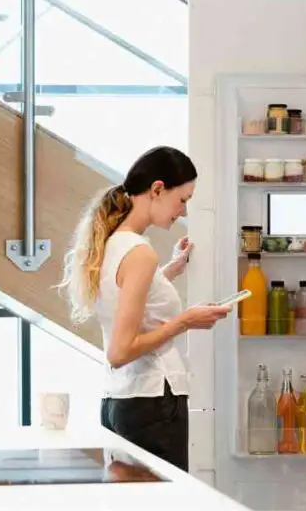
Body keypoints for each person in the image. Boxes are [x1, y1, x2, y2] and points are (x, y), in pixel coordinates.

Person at [59, 146, 231, 472]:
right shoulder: (139, 253)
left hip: (119, 403)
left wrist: (170, 270)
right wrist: (185, 321)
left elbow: (130, 299)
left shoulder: (111, 244)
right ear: (156, 189)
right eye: (183, 199)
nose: (183, 211)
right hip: (155, 402)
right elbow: (120, 351)